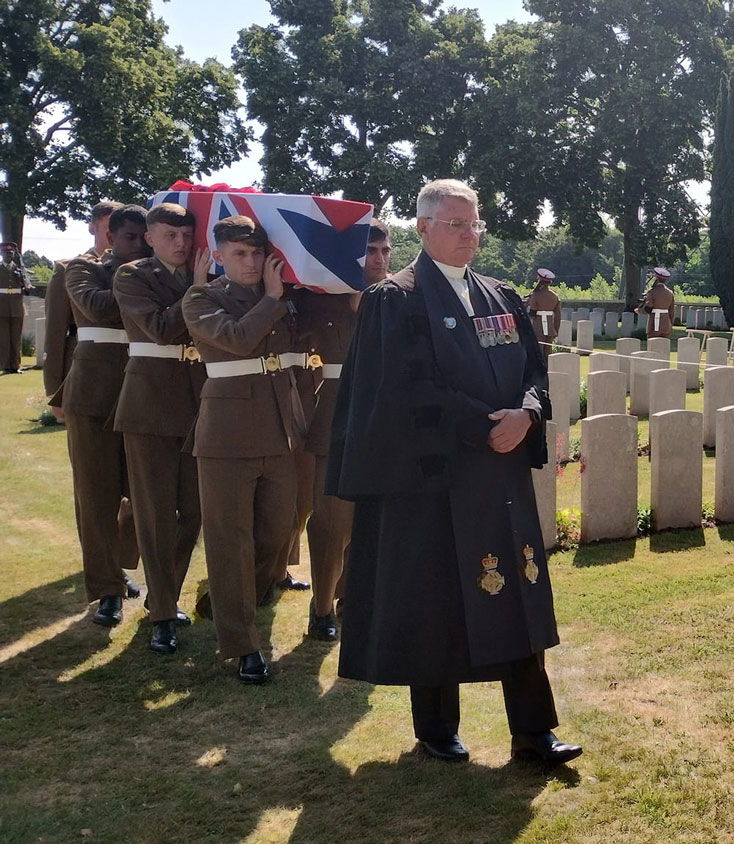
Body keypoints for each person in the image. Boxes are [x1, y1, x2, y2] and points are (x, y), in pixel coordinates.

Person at [327, 179, 581, 765]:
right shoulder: (397, 299)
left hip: (502, 478)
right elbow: (405, 388)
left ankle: (534, 731)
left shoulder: (503, 294)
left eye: (474, 224)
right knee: (436, 597)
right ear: (422, 227)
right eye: (454, 225)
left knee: (519, 593)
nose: (469, 236)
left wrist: (528, 414)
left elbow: (533, 369)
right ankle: (436, 727)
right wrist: (485, 425)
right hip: (434, 479)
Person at [182, 216, 305, 684]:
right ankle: (242, 645)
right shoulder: (201, 298)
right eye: (240, 253)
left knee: (277, 532)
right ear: (218, 255)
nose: (252, 262)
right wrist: (272, 299)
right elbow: (235, 340)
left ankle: (227, 600)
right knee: (229, 538)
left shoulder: (282, 296)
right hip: (226, 437)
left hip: (278, 431)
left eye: (257, 253)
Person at [284, 219, 389, 640]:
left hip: (386, 419)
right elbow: (288, 330)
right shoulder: (321, 300)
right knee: (331, 522)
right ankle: (322, 607)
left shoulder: (403, 295)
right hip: (335, 416)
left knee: (375, 521)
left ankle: (357, 599)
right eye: (370, 252)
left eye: (385, 251)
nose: (379, 260)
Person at [112, 203, 206, 654]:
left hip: (197, 405)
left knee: (193, 511)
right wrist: (202, 292)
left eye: (186, 234)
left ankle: (163, 598)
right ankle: (164, 613)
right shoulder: (132, 276)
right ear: (149, 237)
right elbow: (160, 329)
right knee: (154, 513)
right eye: (170, 234)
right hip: (149, 406)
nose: (181, 243)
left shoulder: (202, 274)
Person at [63, 205, 149, 625]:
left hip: (142, 397)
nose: (140, 245)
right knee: (96, 497)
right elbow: (97, 308)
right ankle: (107, 589)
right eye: (131, 237)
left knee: (145, 495)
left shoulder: (156, 275)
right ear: (110, 237)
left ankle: (120, 566)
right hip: (93, 399)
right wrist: (137, 283)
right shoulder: (82, 270)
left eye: (144, 237)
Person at [46, 201, 121, 415]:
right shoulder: (68, 269)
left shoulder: (136, 269)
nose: (112, 234)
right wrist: (54, 390)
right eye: (108, 227)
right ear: (92, 227)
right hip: (83, 369)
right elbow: (55, 332)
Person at [1, 241, 37, 373]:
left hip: (17, 306)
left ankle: (15, 365)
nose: (8, 255)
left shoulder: (20, 270)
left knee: (16, 338)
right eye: (6, 253)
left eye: (11, 253)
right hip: (2, 306)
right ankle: (5, 366)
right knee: (4, 338)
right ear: (1, 254)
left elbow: (26, 288)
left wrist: (25, 284)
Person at [525, 267, 561, 347]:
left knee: (538, 351)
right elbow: (558, 317)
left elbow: (532, 312)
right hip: (550, 328)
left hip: (538, 327)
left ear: (539, 280)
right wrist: (556, 330)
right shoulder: (555, 296)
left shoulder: (535, 295)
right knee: (548, 352)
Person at [639, 267, 675, 339]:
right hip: (666, 323)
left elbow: (649, 307)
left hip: (654, 322)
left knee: (652, 345)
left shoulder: (651, 291)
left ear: (656, 277)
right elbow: (672, 312)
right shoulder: (670, 293)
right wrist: (670, 324)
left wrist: (640, 310)